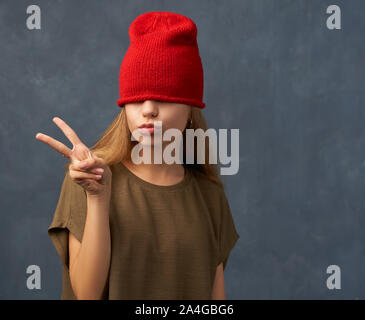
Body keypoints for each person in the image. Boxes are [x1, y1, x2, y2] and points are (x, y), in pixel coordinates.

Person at [35, 11, 240, 300]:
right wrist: (97, 198)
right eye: (136, 98)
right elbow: (86, 295)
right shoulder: (88, 179)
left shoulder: (210, 197)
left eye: (164, 96)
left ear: (190, 108)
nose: (148, 109)